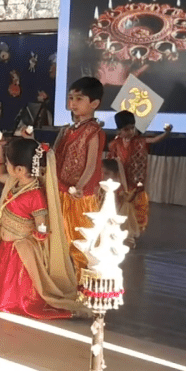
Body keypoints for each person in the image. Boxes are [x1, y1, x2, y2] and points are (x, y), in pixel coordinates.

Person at [0, 137, 86, 319]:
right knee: (5, 278)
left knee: (20, 280)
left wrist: (41, 234)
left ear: (19, 170)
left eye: (7, 162)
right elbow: (0, 175)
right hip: (7, 244)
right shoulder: (15, 182)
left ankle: (20, 301)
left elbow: (41, 221)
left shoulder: (35, 194)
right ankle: (6, 298)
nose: (5, 166)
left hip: (21, 248)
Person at [52, 77, 105, 280]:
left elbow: (91, 164)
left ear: (94, 104)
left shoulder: (94, 131)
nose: (72, 103)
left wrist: (80, 186)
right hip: (61, 190)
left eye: (79, 98)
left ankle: (83, 284)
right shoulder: (67, 130)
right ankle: (64, 281)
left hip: (80, 196)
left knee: (80, 240)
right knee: (62, 238)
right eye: (70, 98)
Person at [106, 110, 171, 235]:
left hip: (135, 182)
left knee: (136, 207)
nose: (130, 132)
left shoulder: (139, 141)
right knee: (118, 206)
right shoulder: (115, 144)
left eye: (132, 128)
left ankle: (133, 232)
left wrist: (166, 133)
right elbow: (111, 161)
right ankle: (118, 231)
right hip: (120, 182)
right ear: (119, 130)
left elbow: (154, 140)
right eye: (126, 129)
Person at [99, 159, 138, 248]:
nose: (103, 176)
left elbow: (124, 197)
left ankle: (125, 236)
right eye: (101, 173)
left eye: (107, 173)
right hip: (102, 217)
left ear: (116, 175)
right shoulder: (99, 185)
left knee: (126, 206)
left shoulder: (118, 187)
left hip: (115, 216)